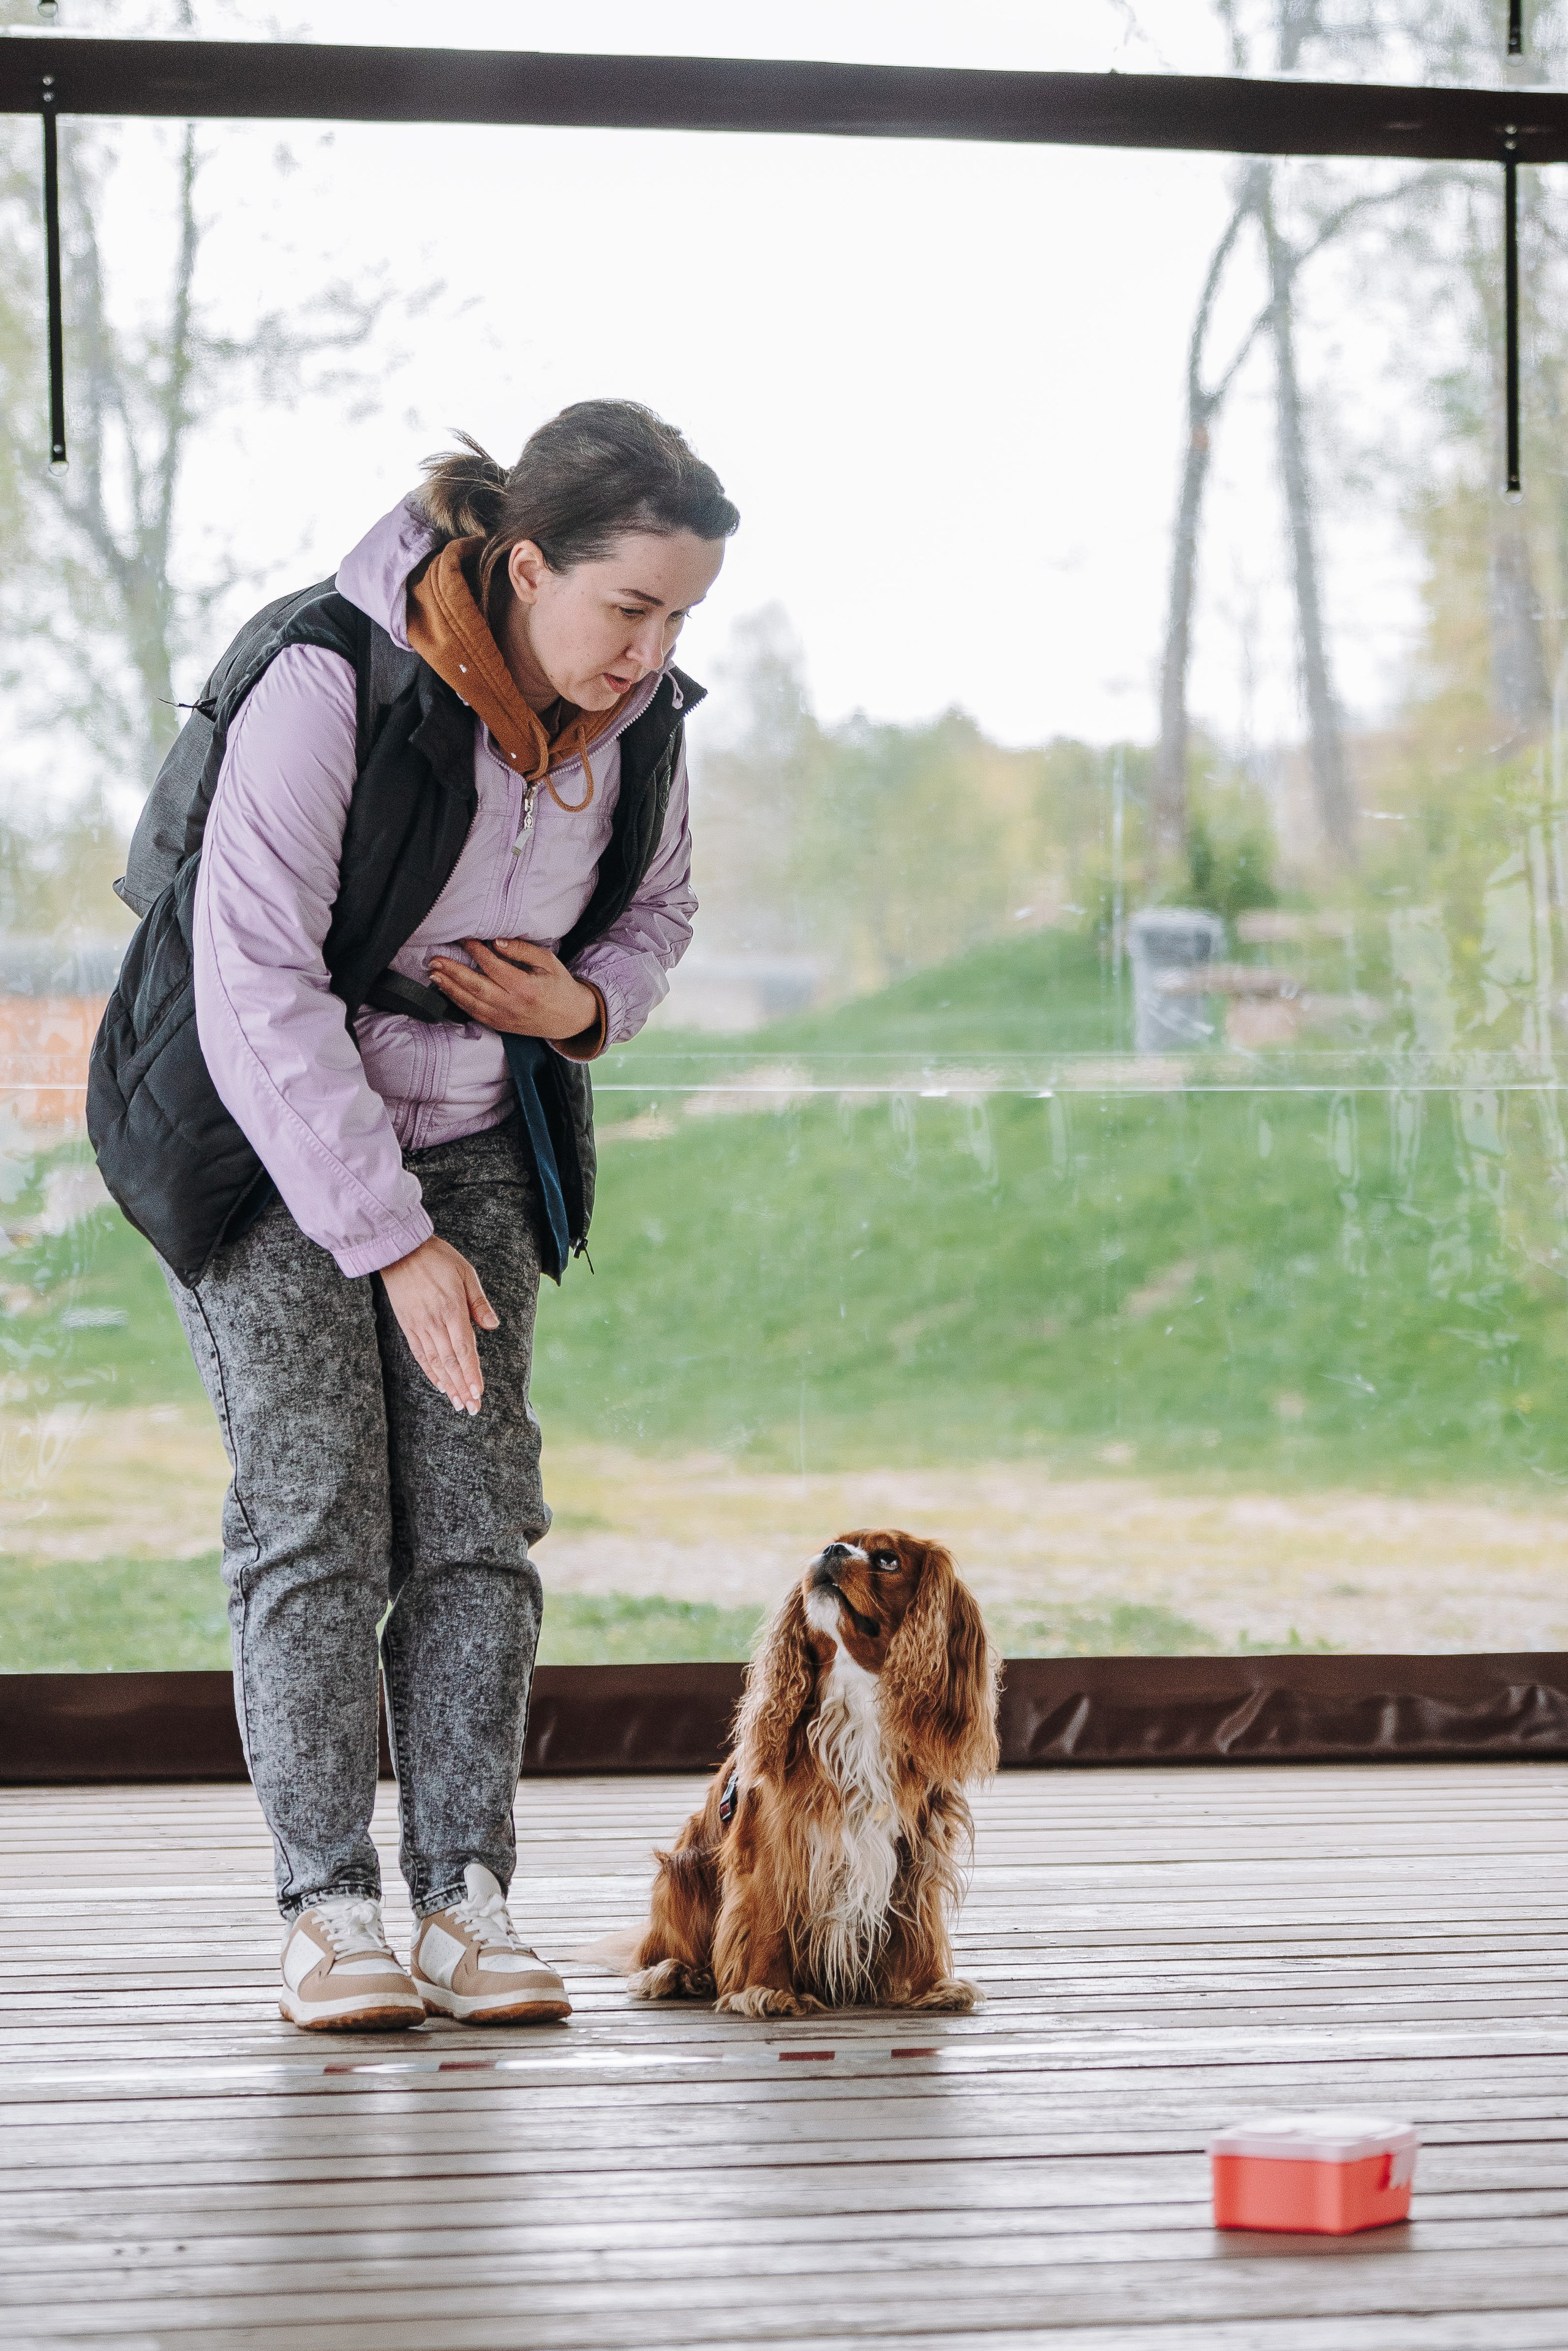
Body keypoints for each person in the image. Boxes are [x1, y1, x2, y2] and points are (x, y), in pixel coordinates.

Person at [154, 401, 734, 2028]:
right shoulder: (330, 678)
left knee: (477, 1520)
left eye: (682, 616)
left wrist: (581, 1007)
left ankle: (465, 1898)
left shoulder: (644, 728)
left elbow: (666, 910)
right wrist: (387, 1239)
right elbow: (254, 983)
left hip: (477, 1128)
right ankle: (326, 1906)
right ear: (529, 564)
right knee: (318, 1507)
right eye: (630, 608)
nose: (651, 650)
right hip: (259, 1136)